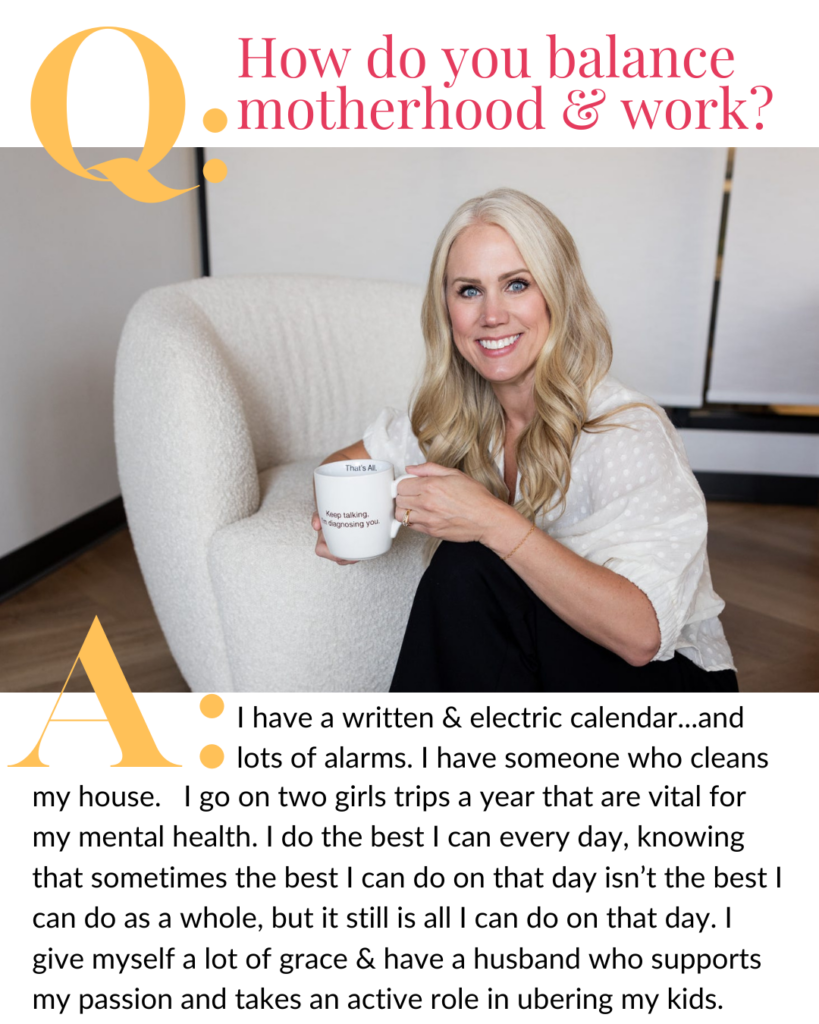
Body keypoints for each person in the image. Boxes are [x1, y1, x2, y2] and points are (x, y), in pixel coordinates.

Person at [311, 188, 737, 693]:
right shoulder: (455, 420)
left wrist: (491, 521)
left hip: (664, 687)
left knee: (468, 563)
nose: (492, 315)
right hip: (548, 665)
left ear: (557, 293)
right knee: (469, 569)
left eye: (516, 285)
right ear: (446, 309)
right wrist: (343, 518)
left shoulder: (625, 431)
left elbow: (642, 635)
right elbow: (345, 464)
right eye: (469, 290)